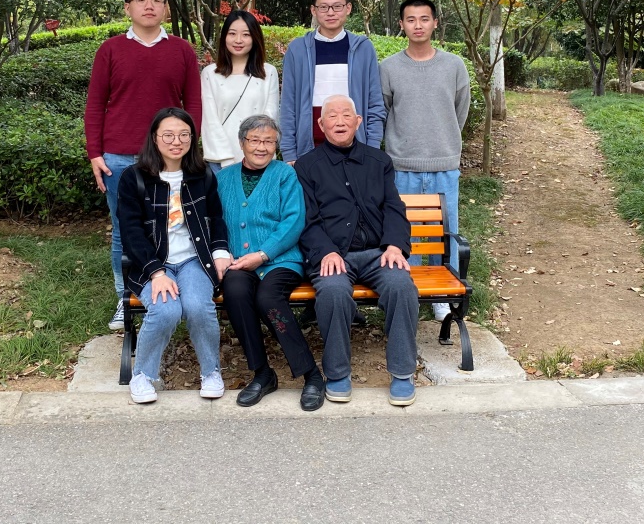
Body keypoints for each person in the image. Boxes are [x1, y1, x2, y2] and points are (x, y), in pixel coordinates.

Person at [85, 0, 203, 331]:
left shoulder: (182, 50)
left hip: (170, 155)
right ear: (128, 7)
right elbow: (95, 105)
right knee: (124, 229)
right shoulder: (110, 50)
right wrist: (95, 153)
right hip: (120, 156)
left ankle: (176, 289)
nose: (149, 5)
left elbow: (193, 102)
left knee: (173, 223)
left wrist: (187, 146)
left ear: (166, 8)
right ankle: (126, 298)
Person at [296, 94, 419, 407]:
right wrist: (325, 251)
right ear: (321, 124)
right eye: (332, 116)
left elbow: (394, 207)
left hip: (378, 252)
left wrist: (394, 245)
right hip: (334, 255)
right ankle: (337, 373)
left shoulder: (379, 161)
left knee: (401, 285)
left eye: (346, 115)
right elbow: (306, 219)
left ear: (358, 121)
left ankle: (403, 373)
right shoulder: (308, 166)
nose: (339, 121)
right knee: (333, 291)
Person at [117, 108, 231, 404]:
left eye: (184, 135)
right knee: (166, 310)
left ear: (192, 138)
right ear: (154, 138)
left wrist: (220, 251)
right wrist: (156, 272)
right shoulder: (134, 177)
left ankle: (211, 372)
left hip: (194, 260)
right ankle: (143, 375)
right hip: (153, 263)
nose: (176, 141)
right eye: (168, 135)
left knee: (197, 307)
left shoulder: (202, 175)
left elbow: (216, 218)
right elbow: (130, 232)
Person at [217, 114, 325, 410]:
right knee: (235, 291)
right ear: (242, 143)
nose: (261, 147)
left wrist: (263, 254)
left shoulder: (285, 175)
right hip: (238, 262)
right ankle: (263, 373)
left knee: (268, 298)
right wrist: (223, 253)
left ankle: (312, 375)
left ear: (276, 146)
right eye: (255, 140)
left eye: (268, 141)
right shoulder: (223, 178)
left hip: (281, 260)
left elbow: (294, 220)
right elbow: (214, 222)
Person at [379, 0, 470, 319]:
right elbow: (384, 112)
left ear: (435, 23)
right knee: (408, 232)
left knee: (446, 232)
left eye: (424, 19)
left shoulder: (454, 66)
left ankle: (444, 298)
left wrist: (443, 142)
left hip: (444, 165)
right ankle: (411, 294)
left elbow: (460, 111)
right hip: (402, 166)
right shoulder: (388, 68)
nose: (418, 25)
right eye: (411, 19)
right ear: (401, 25)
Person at [279, 0, 385, 163]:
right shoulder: (298, 49)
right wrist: (289, 152)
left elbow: (374, 104)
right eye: (323, 7)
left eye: (337, 6)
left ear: (348, 8)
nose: (330, 12)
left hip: (355, 150)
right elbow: (288, 105)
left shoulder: (363, 48)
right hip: (309, 150)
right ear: (313, 10)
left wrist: (372, 149)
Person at [201, 9, 280, 171]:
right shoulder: (210, 73)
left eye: (246, 34)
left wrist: (257, 152)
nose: (238, 40)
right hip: (220, 160)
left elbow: (270, 116)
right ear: (224, 36)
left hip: (260, 157)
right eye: (232, 34)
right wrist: (226, 160)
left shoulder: (268, 72)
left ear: (255, 37)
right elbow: (210, 120)